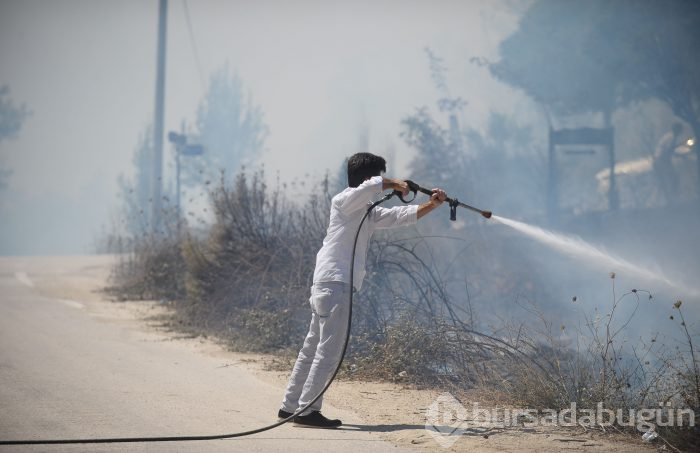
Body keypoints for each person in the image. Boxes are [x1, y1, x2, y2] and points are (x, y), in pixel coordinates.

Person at [278, 152, 447, 428]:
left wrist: (432, 204)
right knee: (328, 351)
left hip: (328, 284)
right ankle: (307, 411)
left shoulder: (364, 211)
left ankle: (290, 406)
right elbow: (370, 187)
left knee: (311, 348)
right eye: (379, 176)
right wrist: (395, 183)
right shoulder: (344, 200)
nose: (381, 181)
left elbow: (399, 216)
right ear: (369, 178)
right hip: (335, 284)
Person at [653, 122, 683, 203]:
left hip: (661, 160)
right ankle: (672, 198)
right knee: (673, 179)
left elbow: (668, 150)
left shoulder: (670, 136)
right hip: (661, 161)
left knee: (666, 180)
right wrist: (678, 153)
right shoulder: (671, 137)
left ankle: (667, 199)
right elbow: (668, 150)